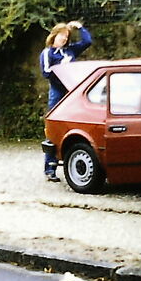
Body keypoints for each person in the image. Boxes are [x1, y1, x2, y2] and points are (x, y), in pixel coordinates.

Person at [39, 20, 92, 181]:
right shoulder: (48, 53)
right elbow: (47, 72)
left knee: (74, 126)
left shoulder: (70, 50)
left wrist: (79, 27)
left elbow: (87, 42)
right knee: (54, 129)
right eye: (61, 35)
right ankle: (50, 168)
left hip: (72, 93)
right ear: (54, 36)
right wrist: (63, 75)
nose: (64, 38)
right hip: (57, 93)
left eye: (66, 36)